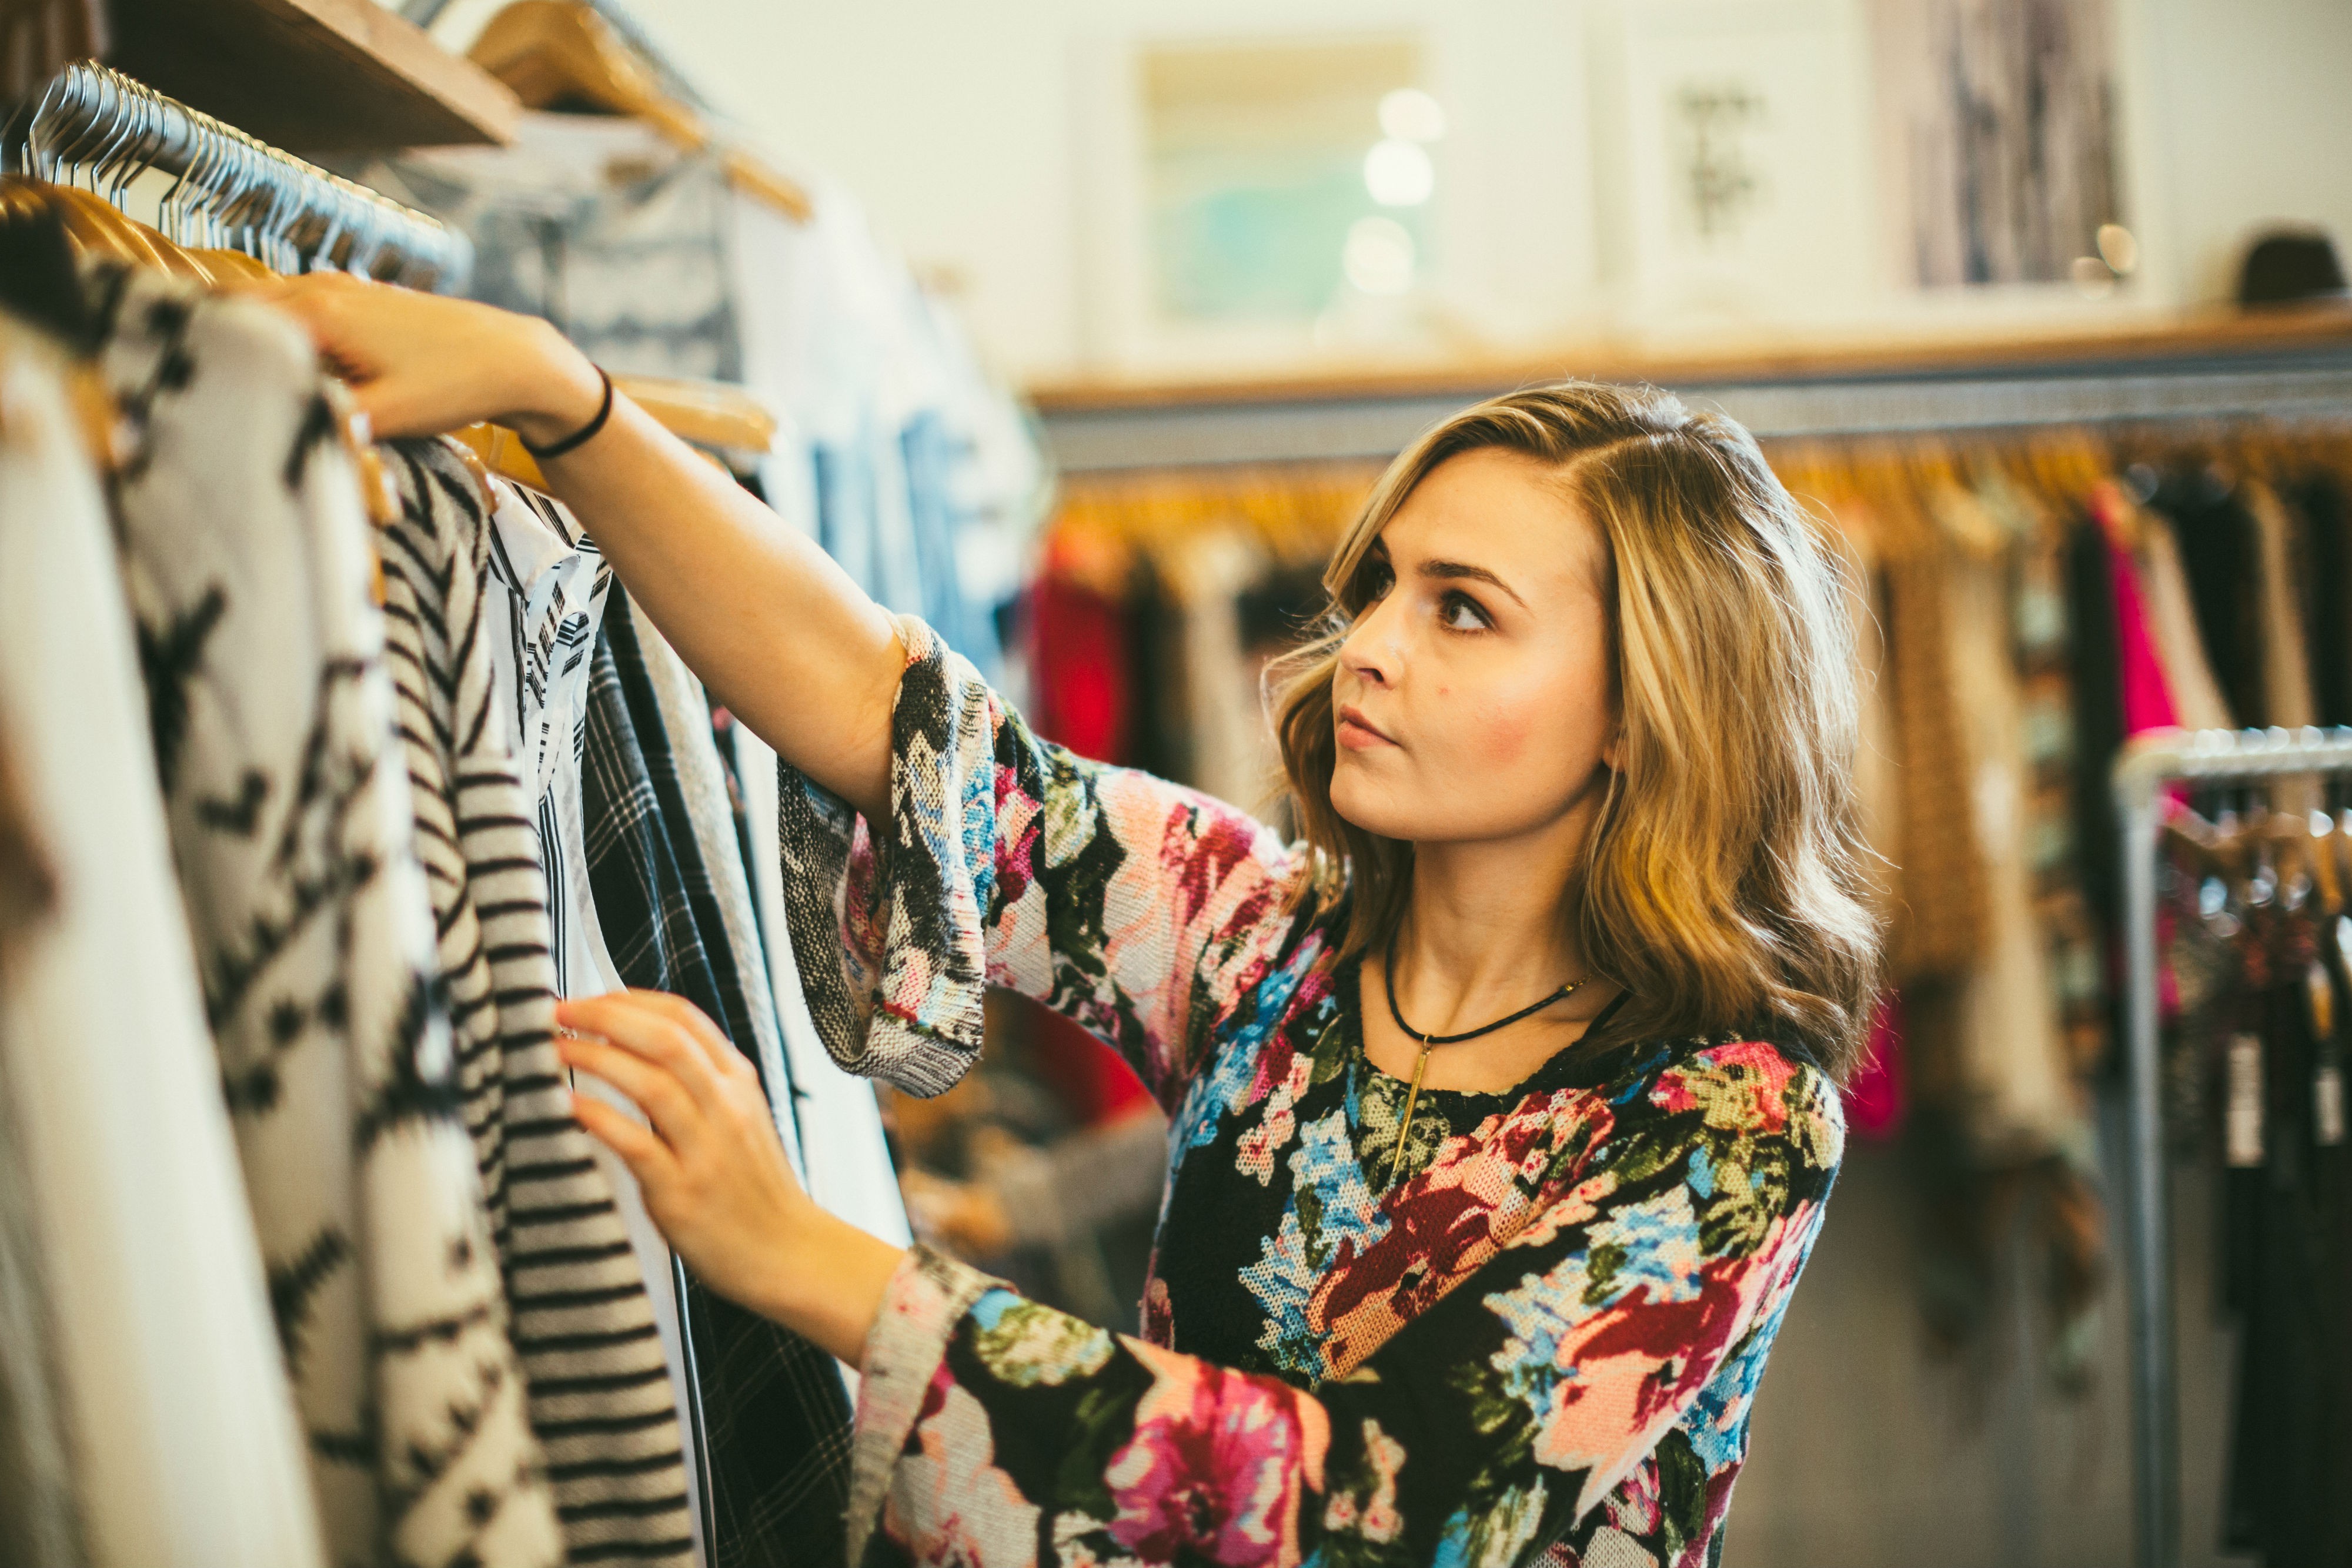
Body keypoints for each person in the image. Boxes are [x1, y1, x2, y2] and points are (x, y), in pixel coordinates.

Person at [265, 272, 1876, 1567]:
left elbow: (1394, 1502)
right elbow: (898, 719)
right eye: (1379, 584)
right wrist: (567, 401)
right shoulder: (1270, 938)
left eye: (1463, 609)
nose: (1368, 647)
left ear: (1642, 709)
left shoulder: (1725, 1116)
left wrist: (803, 1256)